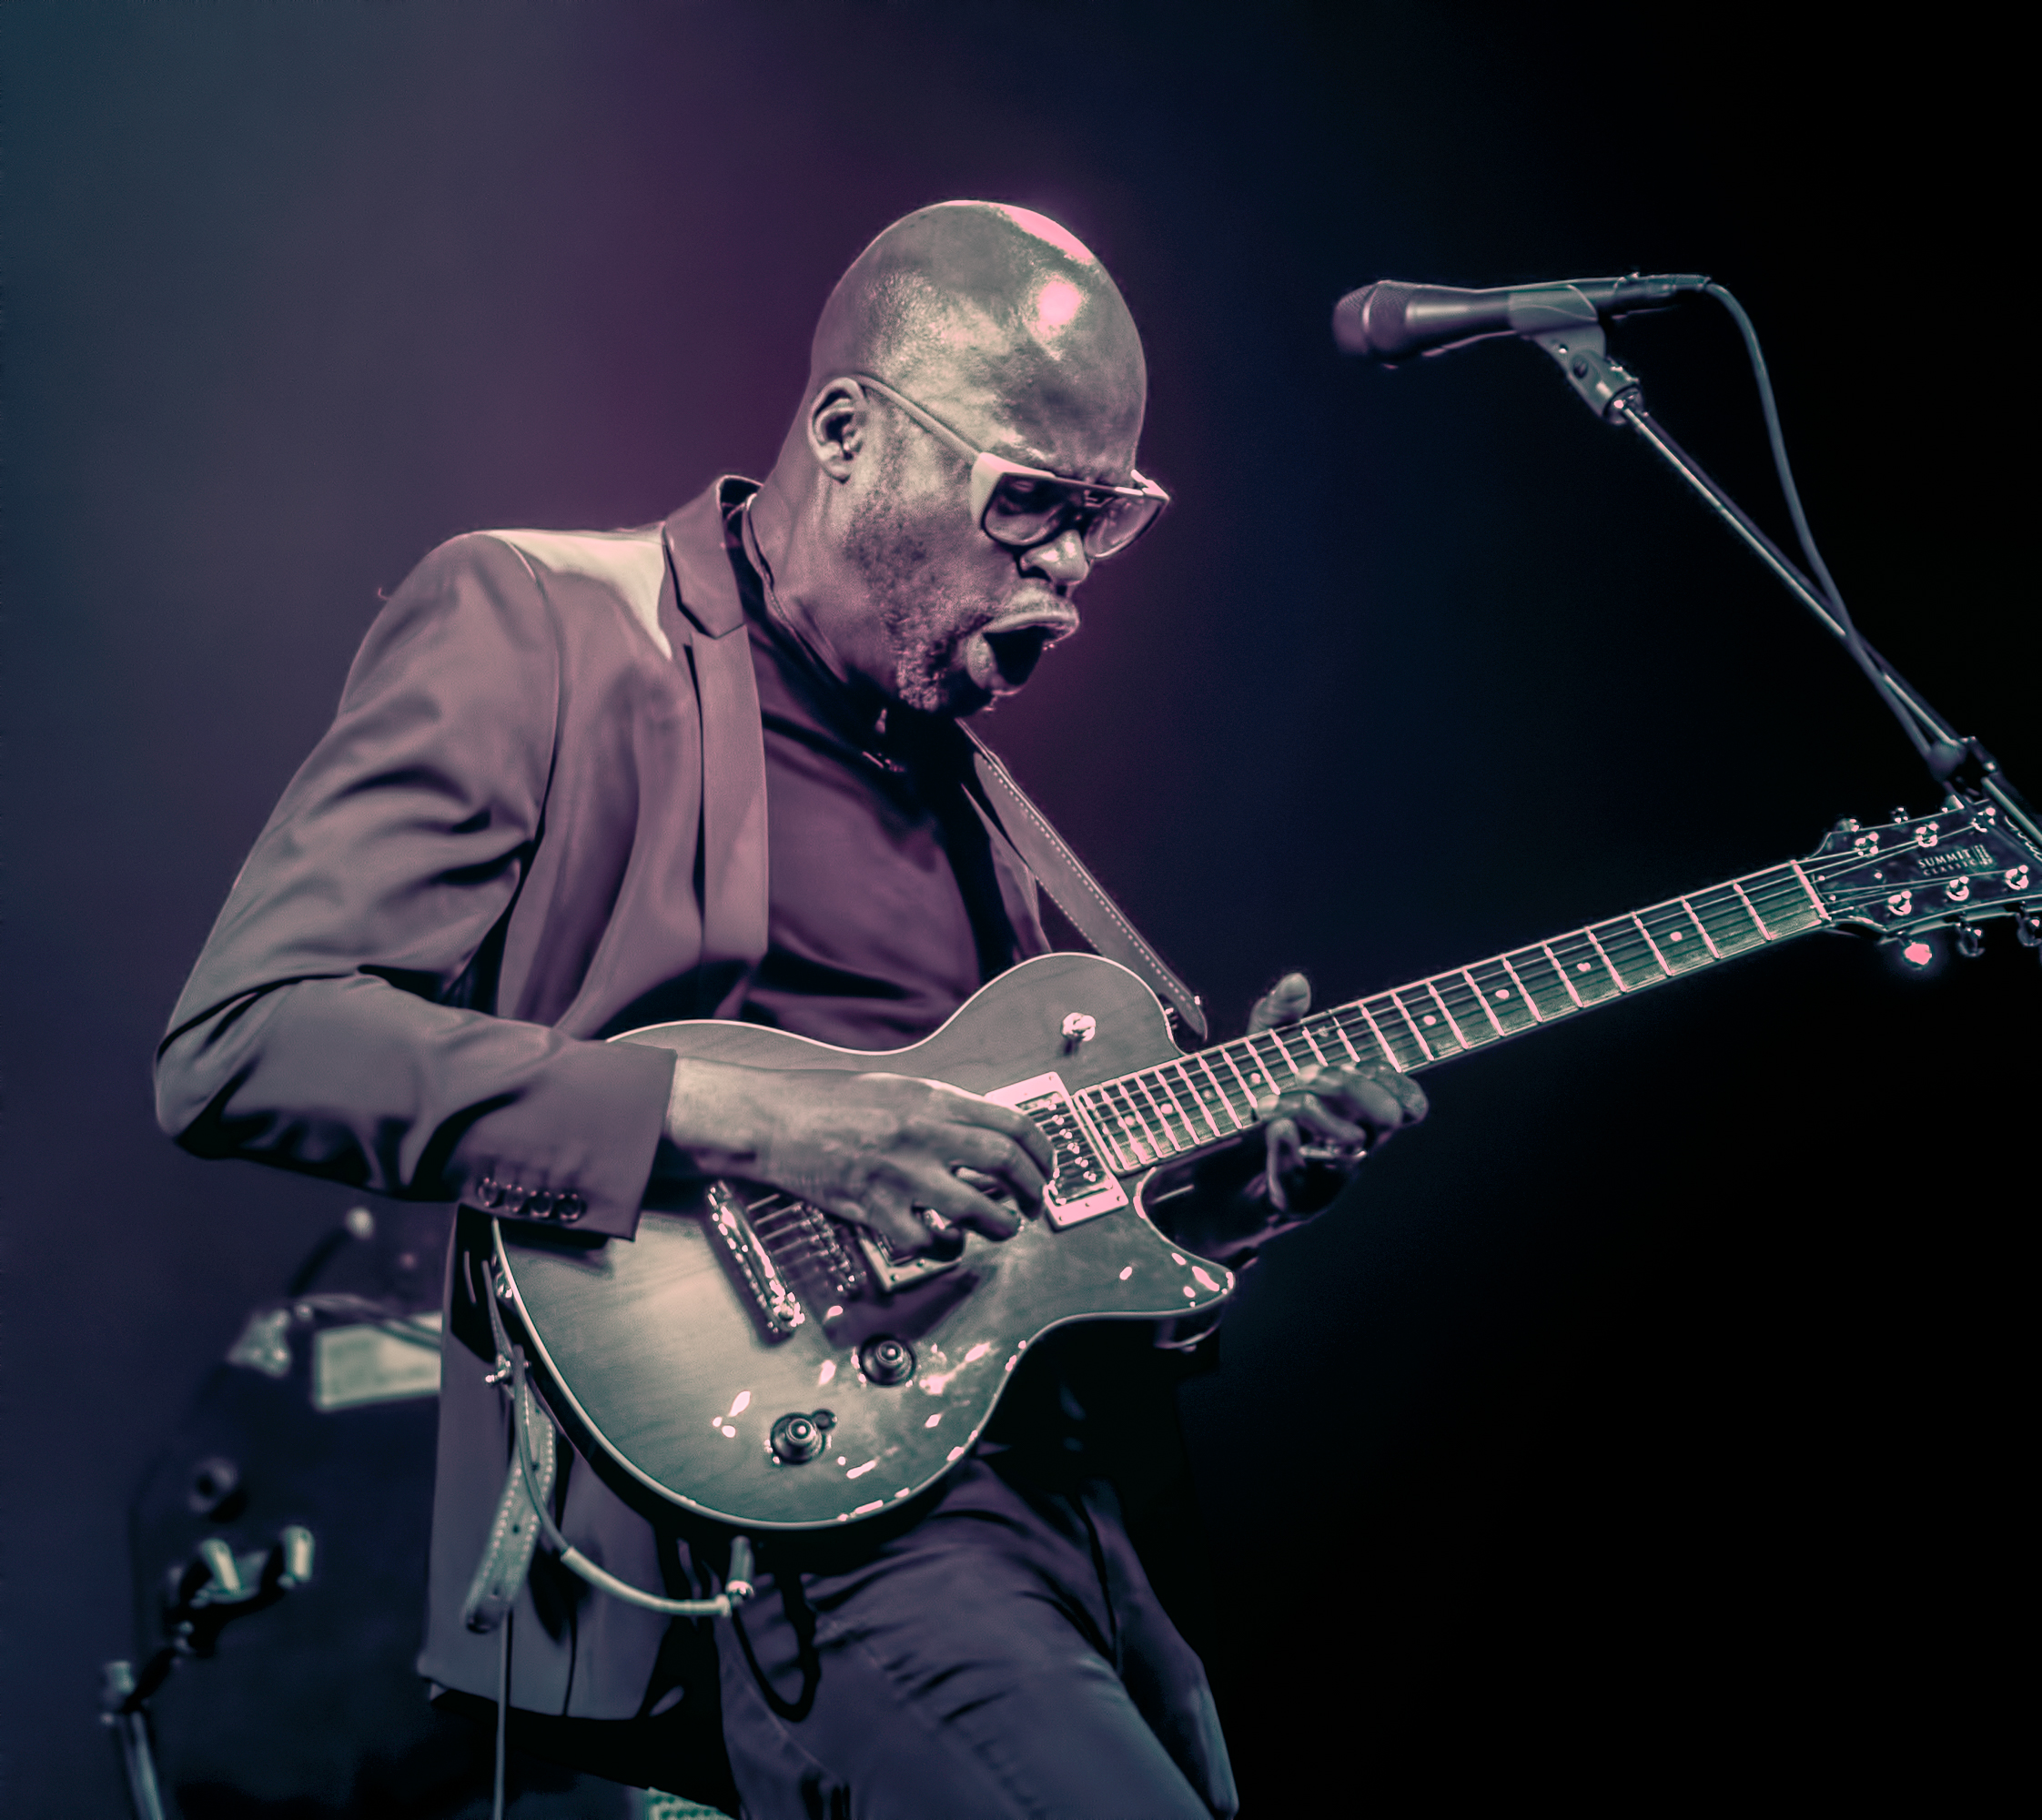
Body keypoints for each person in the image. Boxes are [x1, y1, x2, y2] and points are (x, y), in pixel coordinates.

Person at [157, 201, 1428, 1819]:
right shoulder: (542, 623)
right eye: (1027, 503)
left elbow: (1032, 1216)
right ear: (846, 432)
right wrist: (764, 1121)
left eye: (1098, 522)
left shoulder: (968, 788)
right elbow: (245, 1039)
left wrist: (1249, 1188)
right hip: (793, 1533)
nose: (1062, 574)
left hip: (1063, 1513)